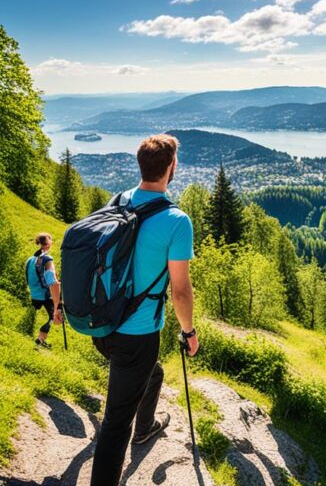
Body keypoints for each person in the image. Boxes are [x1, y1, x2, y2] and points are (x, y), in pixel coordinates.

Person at [90, 134, 199, 486]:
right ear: (172, 168)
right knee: (114, 422)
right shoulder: (176, 220)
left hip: (103, 326)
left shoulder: (117, 201)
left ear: (140, 164)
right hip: (136, 333)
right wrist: (189, 332)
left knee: (151, 374)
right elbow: (180, 290)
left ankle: (147, 426)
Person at [25, 232, 62, 348]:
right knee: (53, 316)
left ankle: (40, 339)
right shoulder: (46, 259)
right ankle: (40, 340)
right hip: (45, 295)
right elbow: (52, 281)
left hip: (34, 294)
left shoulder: (31, 259)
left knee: (50, 316)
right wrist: (57, 304)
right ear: (49, 242)